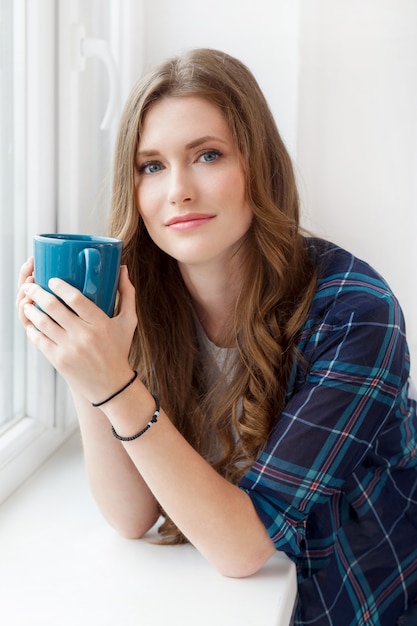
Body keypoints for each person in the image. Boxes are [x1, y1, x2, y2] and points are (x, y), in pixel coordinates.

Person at [17, 48, 417, 625]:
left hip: (360, 607)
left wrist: (114, 379)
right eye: (151, 166)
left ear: (259, 166)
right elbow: (132, 517)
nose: (178, 190)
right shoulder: (143, 297)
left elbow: (243, 546)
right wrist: (86, 363)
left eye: (207, 155)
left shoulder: (357, 314)